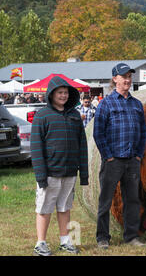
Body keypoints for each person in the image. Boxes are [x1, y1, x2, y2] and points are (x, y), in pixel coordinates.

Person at [31, 76, 89, 256]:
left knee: (65, 207)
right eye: (60, 93)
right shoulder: (42, 116)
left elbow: (82, 144)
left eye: (66, 93)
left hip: (70, 171)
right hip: (49, 172)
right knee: (44, 208)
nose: (63, 96)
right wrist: (41, 175)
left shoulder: (74, 115)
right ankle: (40, 243)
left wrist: (84, 173)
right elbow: (36, 147)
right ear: (51, 94)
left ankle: (65, 240)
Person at [93, 63, 146, 249]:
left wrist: (139, 155)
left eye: (129, 76)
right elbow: (98, 133)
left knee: (132, 200)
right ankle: (102, 238)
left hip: (132, 160)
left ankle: (131, 236)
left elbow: (143, 132)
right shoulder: (106, 103)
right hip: (113, 161)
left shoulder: (136, 104)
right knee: (105, 201)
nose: (127, 80)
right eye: (124, 76)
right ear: (115, 79)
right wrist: (108, 156)